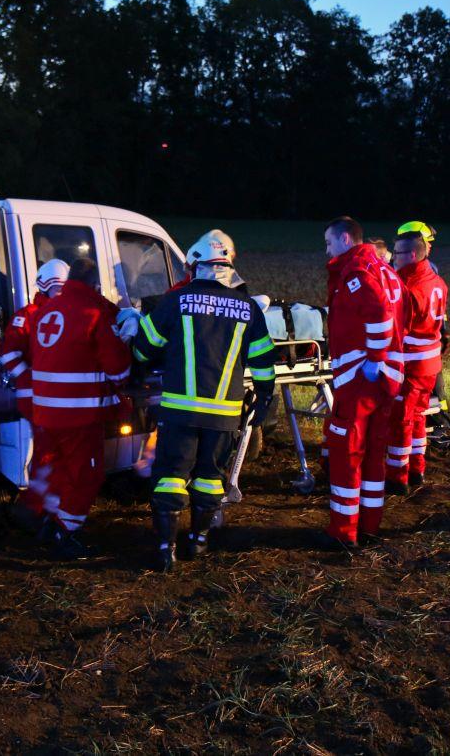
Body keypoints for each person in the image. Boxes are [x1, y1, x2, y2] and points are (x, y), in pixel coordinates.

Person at [132, 229, 276, 572]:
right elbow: (263, 361)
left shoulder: (176, 301)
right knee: (211, 477)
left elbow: (144, 347)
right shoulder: (247, 308)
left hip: (179, 411)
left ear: (195, 266)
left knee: (170, 476)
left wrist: (139, 362)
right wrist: (266, 398)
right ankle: (198, 541)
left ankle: (166, 549)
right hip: (224, 415)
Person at [25, 257, 133, 558]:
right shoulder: (93, 311)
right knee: (87, 475)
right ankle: (66, 531)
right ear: (94, 284)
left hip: (44, 411)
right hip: (78, 411)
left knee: (59, 470)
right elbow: (118, 367)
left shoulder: (47, 309)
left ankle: (48, 522)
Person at [321, 216, 405, 550]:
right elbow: (402, 314)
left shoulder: (357, 271)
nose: (326, 250)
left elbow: (380, 313)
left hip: (361, 378)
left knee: (347, 453)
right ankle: (370, 526)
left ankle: (343, 532)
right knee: (373, 454)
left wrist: (374, 356)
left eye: (328, 243)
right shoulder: (387, 270)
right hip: (386, 378)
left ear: (345, 239)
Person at [0, 259, 70, 532]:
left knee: (52, 453)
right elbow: (9, 354)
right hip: (36, 398)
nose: (58, 293)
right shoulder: (28, 315)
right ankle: (38, 509)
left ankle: (42, 507)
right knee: (48, 454)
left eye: (62, 288)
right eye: (55, 288)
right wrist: (32, 380)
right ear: (43, 287)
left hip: (57, 398)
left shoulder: (64, 313)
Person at [386, 233, 448, 493]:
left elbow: (397, 328)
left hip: (411, 365)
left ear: (412, 255)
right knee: (419, 416)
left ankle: (397, 477)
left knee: (400, 420)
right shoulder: (437, 281)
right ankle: (417, 468)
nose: (392, 258)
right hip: (430, 365)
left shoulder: (407, 286)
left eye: (397, 253)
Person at [395, 220, 450, 439]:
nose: (430, 246)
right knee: (422, 405)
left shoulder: (410, 278)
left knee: (407, 415)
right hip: (428, 352)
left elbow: (403, 320)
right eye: (427, 241)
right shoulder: (429, 272)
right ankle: (435, 428)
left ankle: (437, 425)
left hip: (413, 358)